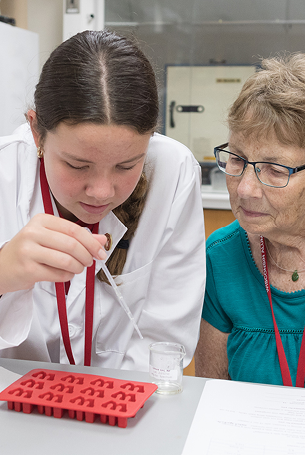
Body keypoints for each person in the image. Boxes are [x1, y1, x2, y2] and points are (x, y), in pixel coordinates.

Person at [0, 31, 204, 370]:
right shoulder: (5, 171)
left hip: (127, 408)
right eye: (77, 165)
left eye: (126, 165)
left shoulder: (173, 171)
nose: (102, 191)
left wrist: (107, 408)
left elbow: (166, 340)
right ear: (37, 132)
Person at [194, 54, 305, 391]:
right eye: (237, 160)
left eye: (275, 170)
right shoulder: (220, 258)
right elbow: (212, 395)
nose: (245, 189)